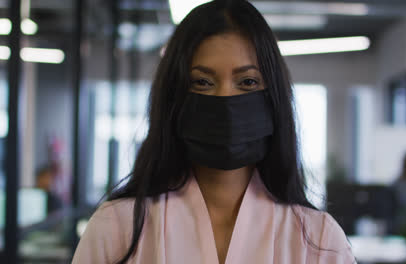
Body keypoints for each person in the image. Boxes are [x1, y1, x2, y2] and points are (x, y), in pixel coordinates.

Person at [72, 1, 355, 263]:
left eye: (247, 81)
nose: (225, 101)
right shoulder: (116, 229)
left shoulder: (319, 241)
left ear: (273, 99)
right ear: (175, 98)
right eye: (203, 82)